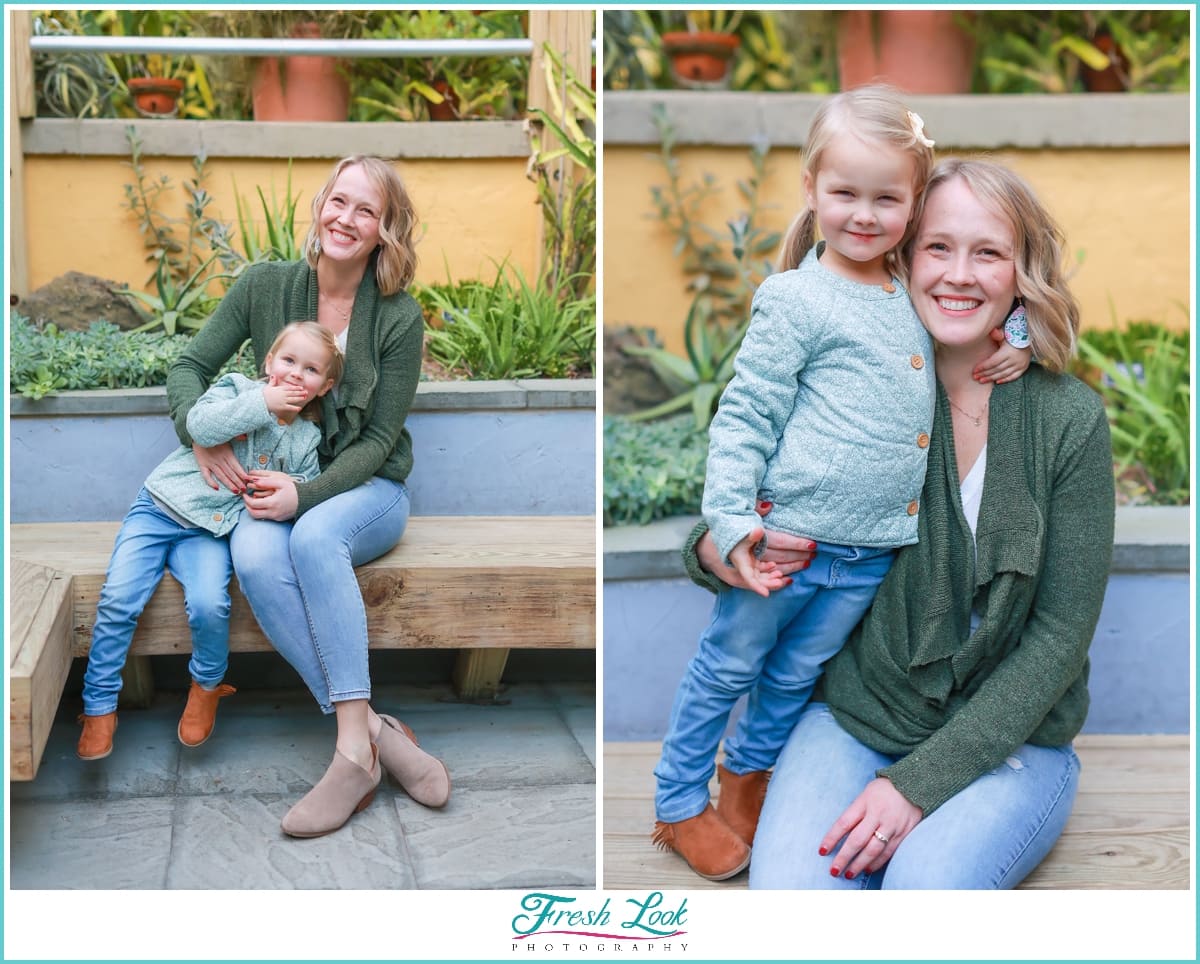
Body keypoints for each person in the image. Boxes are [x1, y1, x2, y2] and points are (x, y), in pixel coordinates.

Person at [684, 157, 1115, 889]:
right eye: (939, 247)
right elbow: (745, 473)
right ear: (902, 255)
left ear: (1020, 272)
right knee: (793, 898)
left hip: (1011, 740)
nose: (959, 275)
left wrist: (917, 786)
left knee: (924, 891)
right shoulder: (843, 388)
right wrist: (711, 548)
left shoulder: (1066, 419)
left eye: (989, 253)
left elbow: (1058, 640)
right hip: (858, 714)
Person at [651, 86, 1030, 882]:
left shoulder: (913, 297)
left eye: (887, 198)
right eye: (845, 193)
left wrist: (1020, 343)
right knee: (726, 668)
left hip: (869, 556)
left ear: (914, 204)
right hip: (785, 543)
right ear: (811, 191)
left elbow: (993, 301)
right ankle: (679, 800)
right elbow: (745, 416)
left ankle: (747, 781)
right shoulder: (794, 299)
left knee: (793, 678)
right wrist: (730, 525)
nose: (864, 214)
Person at [166, 155, 451, 839]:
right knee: (257, 557)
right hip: (273, 481)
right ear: (320, 206)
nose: (345, 219)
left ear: (387, 231)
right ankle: (376, 732)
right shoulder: (265, 287)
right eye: (338, 201)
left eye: (365, 210)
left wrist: (310, 493)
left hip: (366, 489)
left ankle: (352, 758)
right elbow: (189, 366)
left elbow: (379, 440)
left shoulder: (399, 318)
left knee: (315, 537)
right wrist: (202, 437)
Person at [77, 321, 342, 761]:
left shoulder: (305, 438)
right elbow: (200, 423)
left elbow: (305, 486)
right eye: (288, 361)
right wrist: (262, 401)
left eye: (311, 370)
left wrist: (288, 482)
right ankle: (98, 706)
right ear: (268, 362)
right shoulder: (237, 388)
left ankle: (206, 687)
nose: (296, 374)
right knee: (119, 600)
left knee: (209, 604)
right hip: (159, 509)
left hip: (210, 532)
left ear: (324, 386)